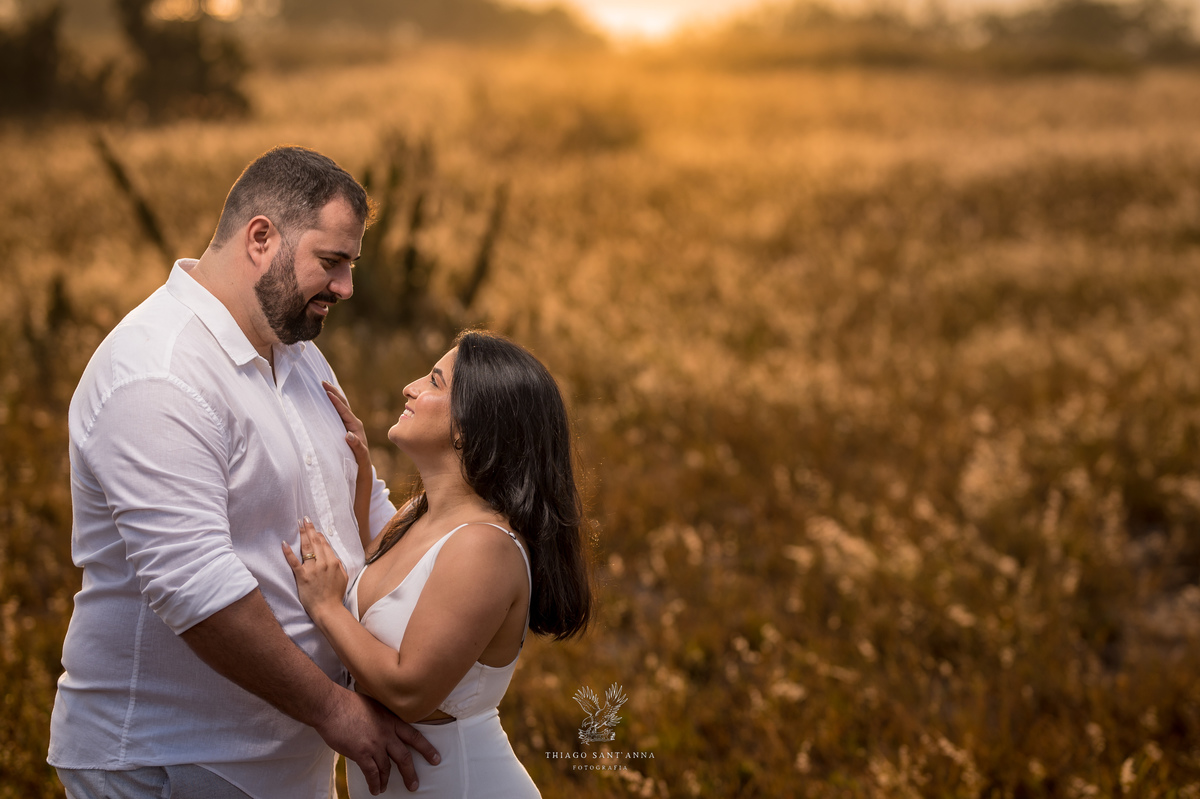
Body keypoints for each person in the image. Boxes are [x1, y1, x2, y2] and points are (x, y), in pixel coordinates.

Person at [49, 146, 439, 799]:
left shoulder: (299, 355)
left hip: (280, 756)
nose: (345, 288)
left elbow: (357, 517)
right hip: (170, 756)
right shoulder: (159, 370)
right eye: (331, 262)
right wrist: (335, 709)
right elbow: (194, 587)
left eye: (351, 266)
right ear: (261, 238)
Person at [284, 330, 592, 797]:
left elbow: (410, 691)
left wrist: (326, 608)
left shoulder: (484, 547)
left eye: (434, 381)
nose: (410, 387)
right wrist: (358, 471)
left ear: (469, 426)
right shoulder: (416, 516)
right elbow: (382, 590)